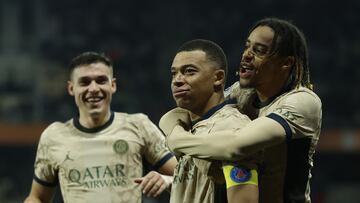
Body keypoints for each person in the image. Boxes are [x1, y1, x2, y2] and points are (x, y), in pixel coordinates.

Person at [160, 18, 322, 203]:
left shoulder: (302, 102)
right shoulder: (242, 93)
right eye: (247, 47)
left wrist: (176, 139)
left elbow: (235, 146)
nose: (247, 55)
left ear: (286, 63)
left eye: (259, 50)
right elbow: (193, 111)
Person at [24, 52, 177, 203]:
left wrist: (167, 180)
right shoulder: (54, 137)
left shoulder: (138, 126)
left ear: (113, 85)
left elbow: (188, 178)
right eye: (84, 82)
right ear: (71, 88)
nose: (94, 88)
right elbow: (37, 197)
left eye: (101, 81)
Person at [166, 39, 259, 203]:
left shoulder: (231, 127)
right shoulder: (185, 127)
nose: (177, 80)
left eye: (189, 71)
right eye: (174, 73)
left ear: (218, 77)